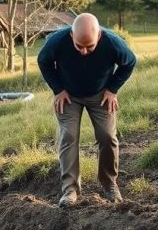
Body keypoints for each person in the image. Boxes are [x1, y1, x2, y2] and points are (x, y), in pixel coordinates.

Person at [38, 13, 137, 207]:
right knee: (69, 136)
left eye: (89, 47)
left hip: (101, 94)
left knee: (107, 136)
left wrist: (112, 90)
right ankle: (70, 190)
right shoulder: (57, 41)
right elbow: (44, 62)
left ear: (98, 36)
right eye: (79, 46)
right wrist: (58, 90)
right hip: (68, 96)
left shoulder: (113, 42)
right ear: (71, 36)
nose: (84, 51)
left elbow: (129, 63)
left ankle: (109, 184)